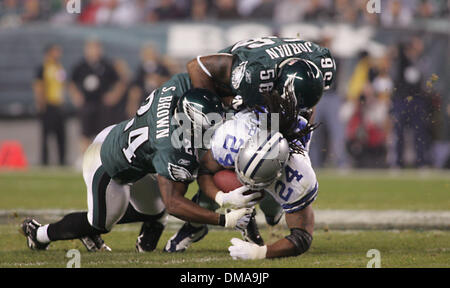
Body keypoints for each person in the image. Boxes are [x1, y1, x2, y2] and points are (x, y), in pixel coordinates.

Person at [21, 74, 254, 252]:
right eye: (207, 127)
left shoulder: (177, 89)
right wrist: (223, 218)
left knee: (154, 213)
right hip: (106, 162)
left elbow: (199, 69)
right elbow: (174, 202)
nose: (211, 131)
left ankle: (128, 241)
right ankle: (40, 234)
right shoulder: (169, 147)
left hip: (127, 143)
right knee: (101, 222)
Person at [201, 91, 319, 259]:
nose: (247, 182)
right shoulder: (231, 137)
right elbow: (205, 170)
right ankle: (195, 227)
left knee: (273, 207)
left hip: (292, 135)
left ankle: (273, 212)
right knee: (220, 178)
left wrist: (260, 253)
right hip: (259, 116)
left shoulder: (298, 176)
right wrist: (221, 198)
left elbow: (302, 237)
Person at [187, 36, 335, 111]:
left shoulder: (322, 63)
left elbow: (308, 106)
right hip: (208, 86)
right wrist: (213, 110)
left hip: (260, 85)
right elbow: (196, 66)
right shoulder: (256, 72)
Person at [69, 39, 127, 155]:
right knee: (85, 133)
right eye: (91, 48)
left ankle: (101, 159)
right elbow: (71, 83)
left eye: (96, 48)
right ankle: (84, 158)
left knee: (102, 133)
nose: (94, 51)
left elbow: (120, 82)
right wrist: (76, 96)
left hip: (102, 105)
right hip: (87, 104)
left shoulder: (107, 65)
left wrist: (114, 96)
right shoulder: (81, 66)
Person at [33, 44, 67, 166]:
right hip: (48, 105)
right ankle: (44, 161)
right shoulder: (43, 67)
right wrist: (41, 103)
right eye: (55, 51)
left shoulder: (59, 67)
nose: (58, 54)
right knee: (46, 136)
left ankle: (62, 161)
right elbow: (38, 86)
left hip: (59, 105)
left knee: (61, 135)